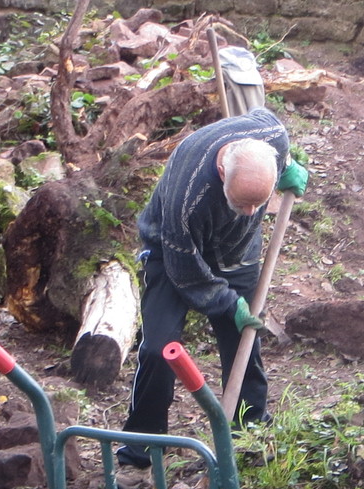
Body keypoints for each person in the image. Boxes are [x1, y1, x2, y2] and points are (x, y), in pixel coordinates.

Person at [116, 106, 307, 465]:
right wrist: (226, 302)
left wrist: (286, 168)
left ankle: (250, 430)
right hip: (171, 252)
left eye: (259, 203)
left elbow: (268, 129)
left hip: (236, 251)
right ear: (221, 173)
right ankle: (142, 445)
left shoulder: (272, 137)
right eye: (243, 202)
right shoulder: (187, 195)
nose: (251, 212)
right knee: (159, 349)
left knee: (244, 342)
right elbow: (185, 268)